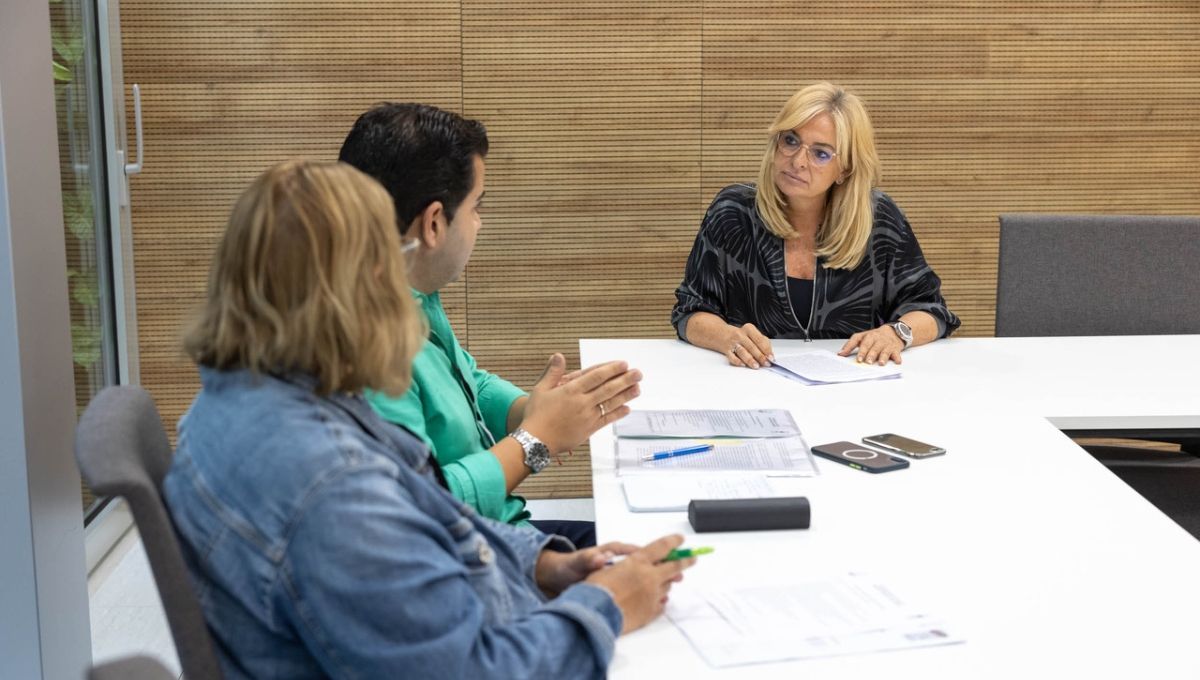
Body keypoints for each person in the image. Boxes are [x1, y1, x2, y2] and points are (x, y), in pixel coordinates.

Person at [163, 160, 694, 679]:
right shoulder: (334, 489)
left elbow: (432, 504)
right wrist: (608, 605)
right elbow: (475, 668)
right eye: (393, 262)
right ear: (355, 291)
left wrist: (542, 563)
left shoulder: (249, 395)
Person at [338, 103, 638, 548]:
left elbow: (467, 385)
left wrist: (532, 409)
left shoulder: (411, 290)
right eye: (476, 207)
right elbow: (421, 508)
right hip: (472, 556)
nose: (479, 222)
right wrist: (538, 439)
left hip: (500, 532)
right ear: (435, 222)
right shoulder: (367, 344)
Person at [672, 82, 959, 368]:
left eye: (821, 153)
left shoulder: (879, 219)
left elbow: (931, 310)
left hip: (855, 386)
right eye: (791, 141)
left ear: (844, 169)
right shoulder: (733, 213)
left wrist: (895, 333)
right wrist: (725, 336)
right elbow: (689, 311)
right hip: (752, 381)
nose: (797, 161)